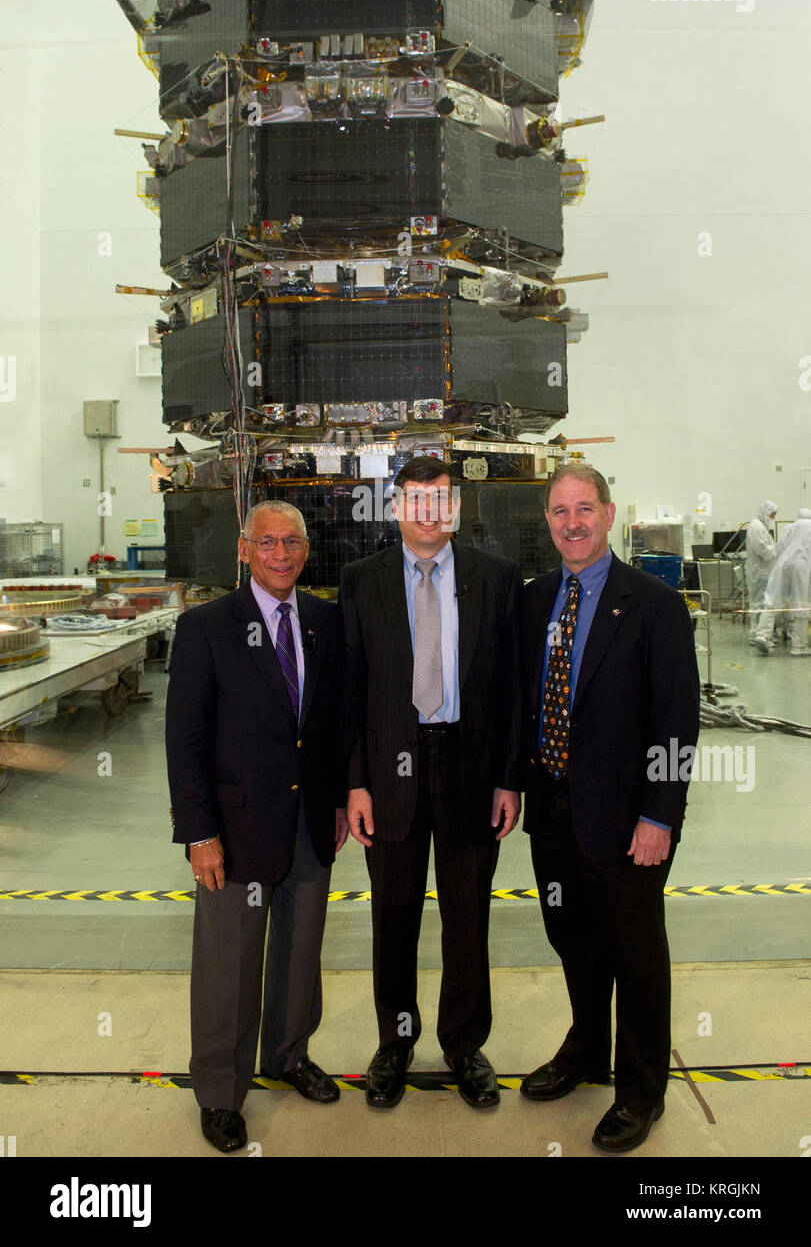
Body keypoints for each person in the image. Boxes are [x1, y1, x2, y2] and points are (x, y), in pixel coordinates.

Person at [521, 464, 700, 1153]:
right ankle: (585, 1049)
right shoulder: (535, 600)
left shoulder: (653, 605)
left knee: (636, 956)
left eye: (584, 509)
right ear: (547, 520)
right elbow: (524, 703)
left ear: (608, 513)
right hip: (553, 809)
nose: (572, 522)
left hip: (628, 820)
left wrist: (659, 817)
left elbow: (676, 724)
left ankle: (639, 1090)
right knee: (573, 940)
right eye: (560, 511)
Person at [340, 456, 523, 1111]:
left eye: (438, 499)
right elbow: (350, 691)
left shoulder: (495, 579)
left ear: (455, 509)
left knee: (467, 915)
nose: (426, 510)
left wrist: (509, 778)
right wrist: (355, 784)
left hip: (469, 768)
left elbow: (510, 691)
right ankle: (395, 1043)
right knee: (392, 915)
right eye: (413, 499)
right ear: (395, 509)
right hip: (389, 771)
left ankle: (464, 1044)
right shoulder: (361, 582)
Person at [166, 500, 348, 1152]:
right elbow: (184, 739)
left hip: (309, 825)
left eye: (291, 542)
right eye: (266, 543)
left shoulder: (327, 621)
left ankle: (289, 1055)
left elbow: (330, 726)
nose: (280, 554)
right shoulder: (208, 627)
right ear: (244, 550)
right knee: (228, 968)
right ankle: (218, 1090)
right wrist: (199, 832)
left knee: (301, 953)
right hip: (234, 832)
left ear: (305, 550)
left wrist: (335, 801)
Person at [752, 508, 811, 656]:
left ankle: (762, 635)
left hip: (782, 565)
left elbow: (777, 549)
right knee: (800, 605)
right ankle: (799, 646)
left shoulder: (789, 527)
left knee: (772, 601)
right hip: (802, 566)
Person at [745, 501, 778, 643]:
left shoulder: (761, 527)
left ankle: (763, 634)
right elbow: (763, 550)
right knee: (757, 603)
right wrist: (778, 549)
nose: (773, 518)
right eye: (772, 514)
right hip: (758, 572)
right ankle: (755, 634)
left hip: (763, 571)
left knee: (762, 603)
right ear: (765, 512)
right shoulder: (756, 527)